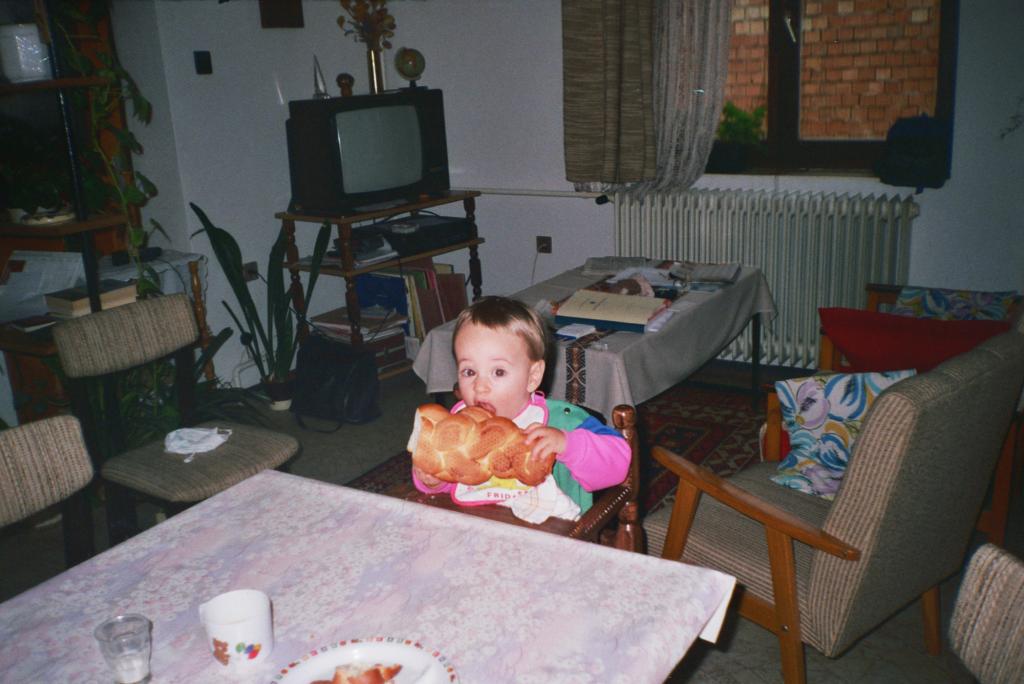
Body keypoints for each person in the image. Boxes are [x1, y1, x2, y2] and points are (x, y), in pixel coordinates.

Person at [411, 296, 630, 514]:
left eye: (498, 372)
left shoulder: (564, 420)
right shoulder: (458, 426)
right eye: (469, 372)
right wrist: (433, 481)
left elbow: (619, 465)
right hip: (479, 525)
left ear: (533, 376)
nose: (480, 386)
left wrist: (567, 445)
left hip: (554, 530)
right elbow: (452, 474)